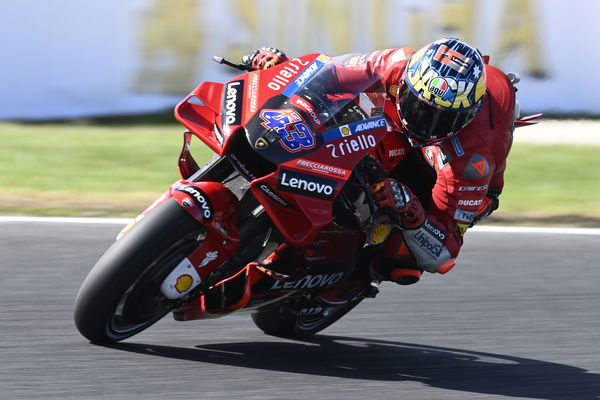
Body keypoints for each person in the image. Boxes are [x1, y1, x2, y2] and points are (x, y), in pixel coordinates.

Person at [243, 39, 518, 291]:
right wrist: (284, 69)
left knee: (402, 257)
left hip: (445, 175)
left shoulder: (474, 156)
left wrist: (412, 212)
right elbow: (330, 72)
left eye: (440, 118)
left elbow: (444, 252)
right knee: (340, 111)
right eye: (418, 106)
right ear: (407, 82)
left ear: (468, 115)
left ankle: (353, 281)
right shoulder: (396, 63)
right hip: (393, 131)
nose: (425, 122)